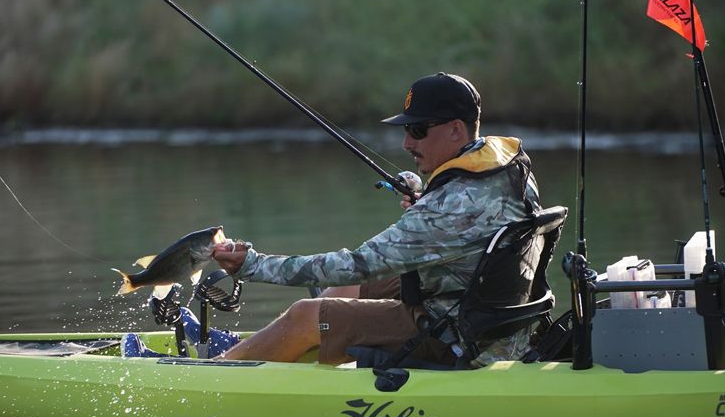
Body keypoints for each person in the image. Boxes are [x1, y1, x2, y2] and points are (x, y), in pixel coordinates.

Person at [213, 72, 542, 366]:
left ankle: (218, 372)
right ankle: (270, 348)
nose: (407, 143)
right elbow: (468, 221)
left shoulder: (446, 209)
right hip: (486, 311)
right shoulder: (512, 170)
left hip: (458, 339)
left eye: (417, 130)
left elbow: (356, 262)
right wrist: (427, 198)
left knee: (306, 313)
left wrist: (253, 265)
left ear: (456, 129)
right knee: (354, 289)